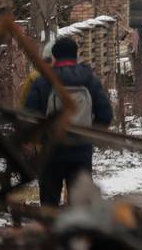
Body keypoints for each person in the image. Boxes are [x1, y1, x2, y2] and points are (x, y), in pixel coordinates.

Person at [24, 37, 114, 206]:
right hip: (81, 152)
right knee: (79, 205)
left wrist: (41, 138)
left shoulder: (43, 81)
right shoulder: (89, 80)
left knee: (49, 204)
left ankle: (49, 230)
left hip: (51, 151)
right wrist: (89, 135)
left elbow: (29, 116)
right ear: (76, 55)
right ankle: (77, 231)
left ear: (54, 57)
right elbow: (105, 114)